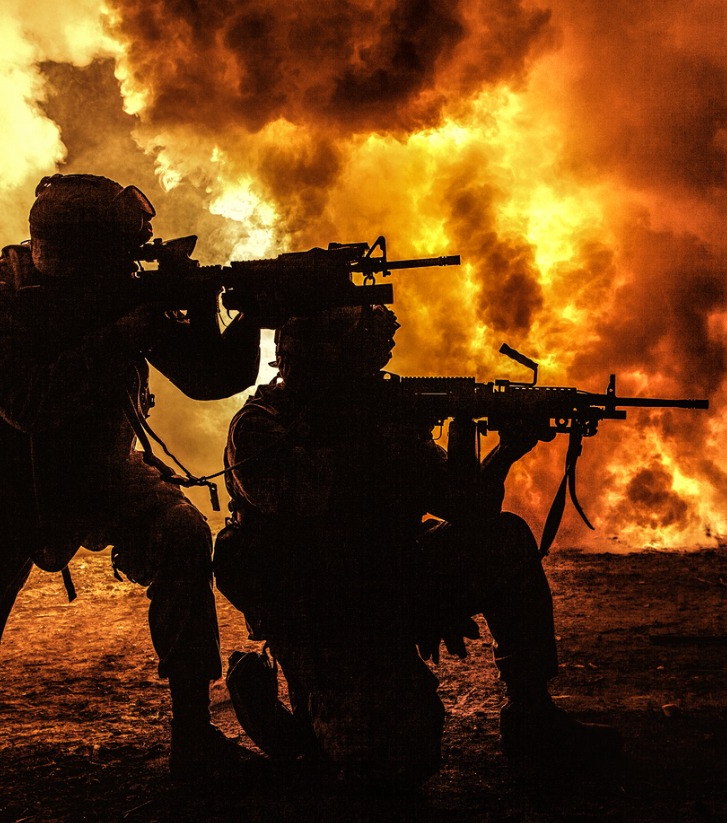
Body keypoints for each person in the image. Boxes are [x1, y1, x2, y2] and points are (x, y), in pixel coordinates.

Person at [0, 173, 262, 803]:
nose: (129, 269)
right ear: (76, 255)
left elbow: (210, 378)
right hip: (1, 485)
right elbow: (28, 404)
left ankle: (193, 735)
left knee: (180, 532)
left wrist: (231, 309)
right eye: (116, 258)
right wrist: (129, 329)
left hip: (100, 471)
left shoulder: (120, 297)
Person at [215, 305, 620, 788]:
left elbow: (466, 507)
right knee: (393, 762)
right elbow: (316, 502)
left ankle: (532, 716)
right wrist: (379, 437)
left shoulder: (381, 418)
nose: (373, 377)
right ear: (314, 364)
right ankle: (300, 733)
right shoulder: (259, 428)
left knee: (503, 541)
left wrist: (503, 445)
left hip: (385, 583)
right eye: (357, 366)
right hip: (325, 610)